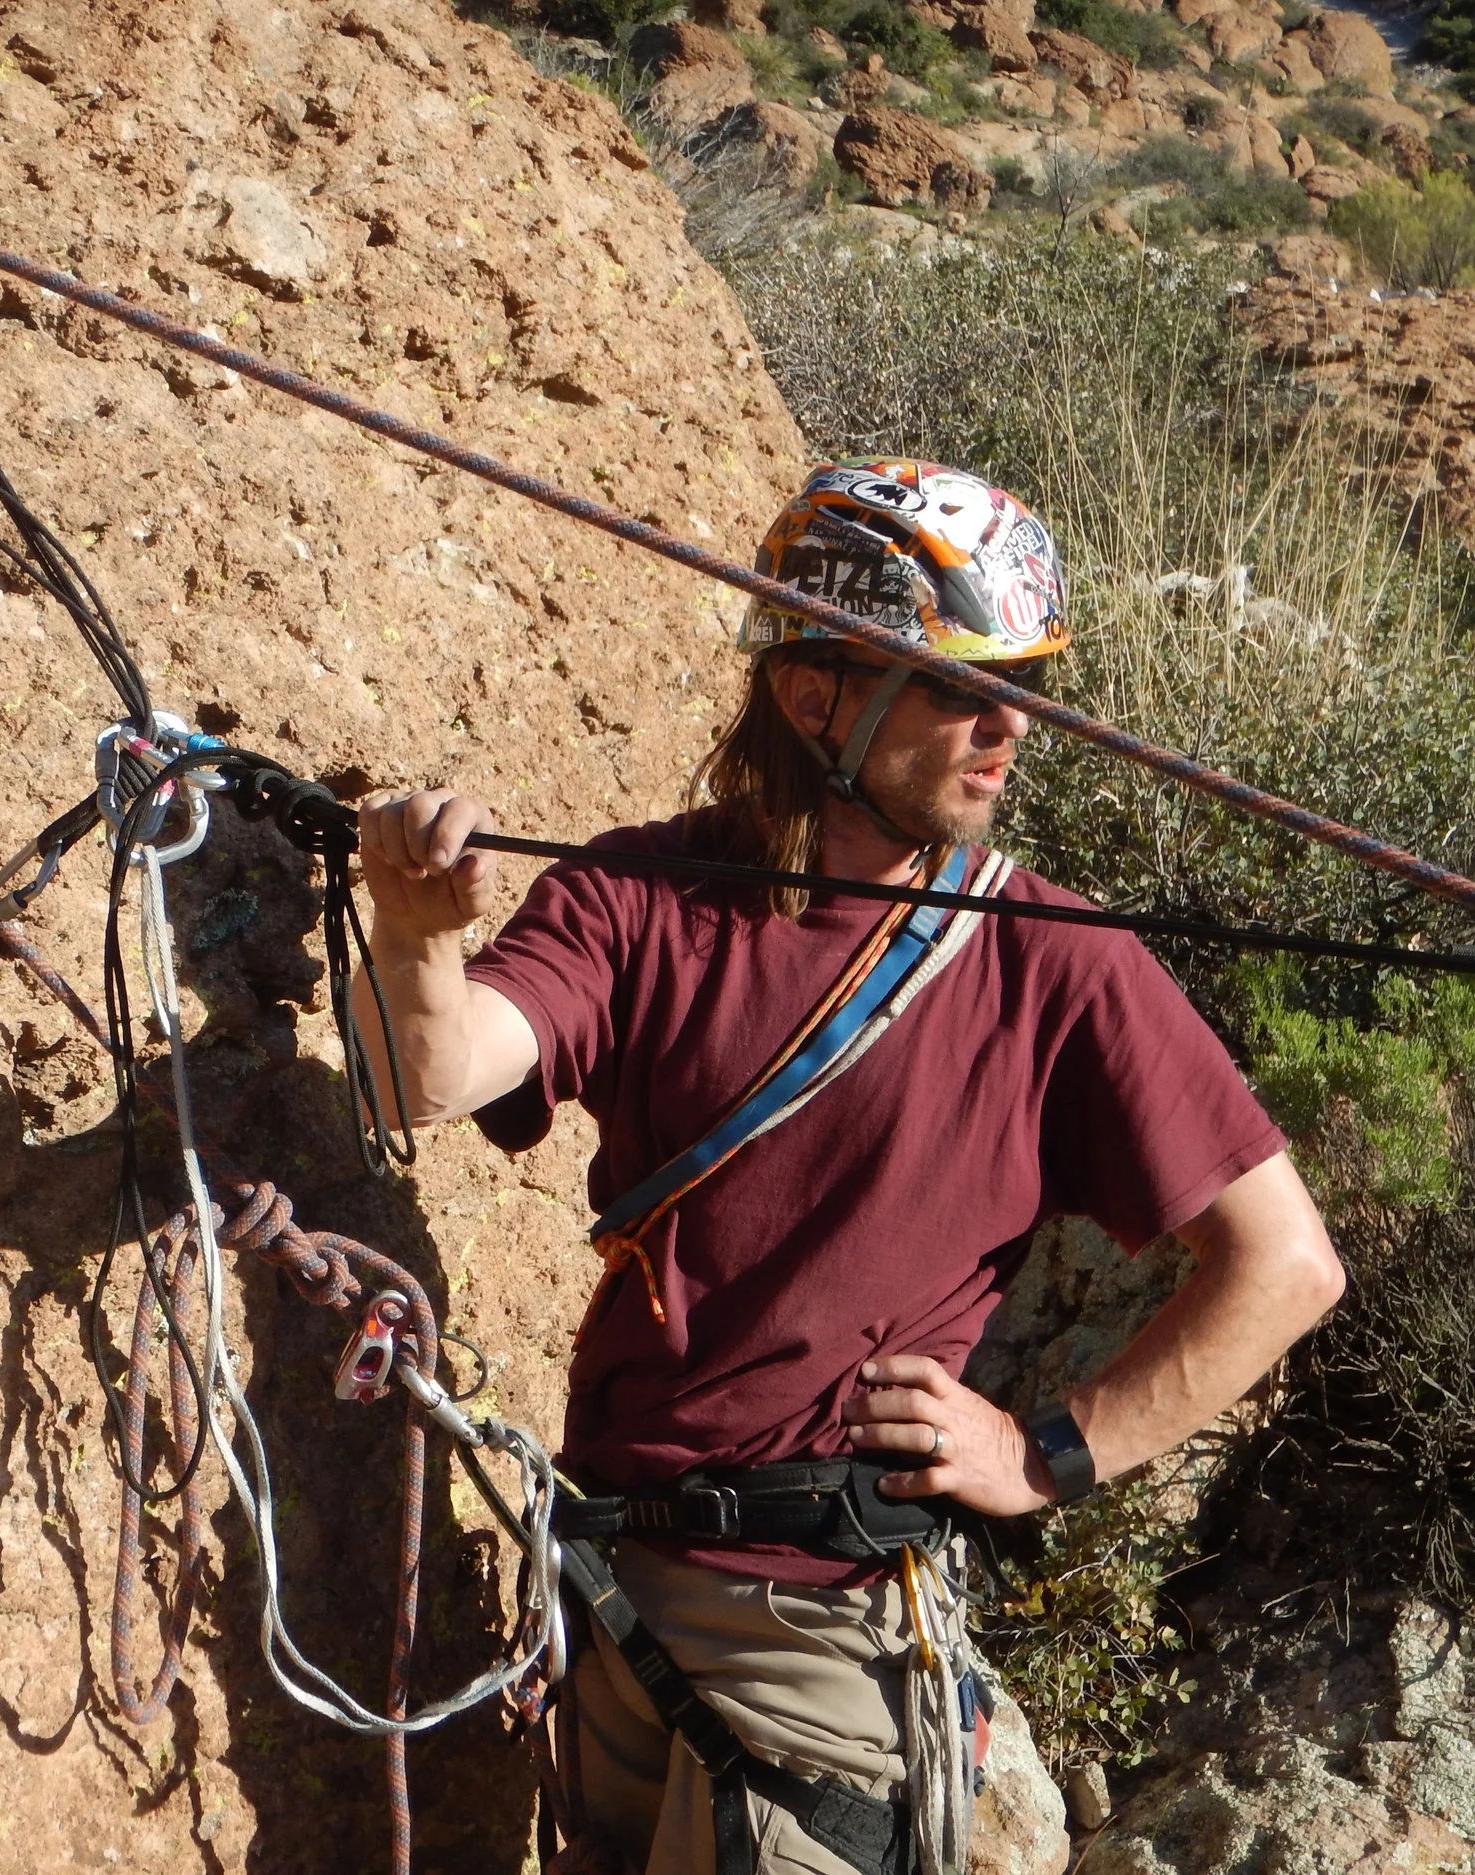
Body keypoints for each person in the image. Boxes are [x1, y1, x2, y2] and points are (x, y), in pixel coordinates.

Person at [353, 460, 1346, 1875]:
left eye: (1028, 689)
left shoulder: (1057, 966)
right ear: (816, 698)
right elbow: (428, 1076)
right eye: (963, 688)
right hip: (613, 1602)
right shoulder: (640, 897)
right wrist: (414, 932)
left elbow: (1288, 1261)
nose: (1010, 729)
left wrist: (1044, 1451)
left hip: (821, 1648)